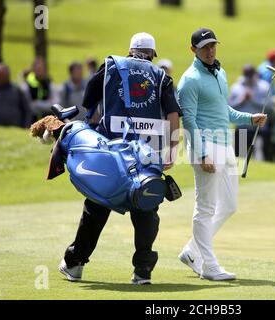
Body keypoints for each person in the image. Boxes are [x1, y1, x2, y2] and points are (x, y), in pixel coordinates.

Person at [58, 32, 182, 285]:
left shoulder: (111, 66)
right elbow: (172, 115)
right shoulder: (161, 77)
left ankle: (75, 264)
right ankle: (143, 272)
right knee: (145, 209)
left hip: (110, 154)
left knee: (97, 207)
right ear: (152, 54)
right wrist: (171, 149)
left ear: (130, 50)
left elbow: (88, 105)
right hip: (147, 157)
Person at [177, 28, 267, 281]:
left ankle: (191, 251)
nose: (210, 50)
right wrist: (203, 154)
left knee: (229, 205)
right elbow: (190, 122)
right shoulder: (189, 80)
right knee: (205, 208)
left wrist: (250, 118)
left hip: (226, 145)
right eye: (204, 47)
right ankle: (208, 266)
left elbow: (223, 110)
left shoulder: (220, 73)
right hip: (205, 147)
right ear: (193, 49)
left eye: (213, 45)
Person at [229, 64, 270, 159]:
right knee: (240, 158)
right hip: (242, 128)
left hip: (259, 129)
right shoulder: (236, 87)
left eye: (251, 75)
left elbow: (269, 106)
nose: (249, 78)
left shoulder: (264, 86)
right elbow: (229, 106)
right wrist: (241, 100)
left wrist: (253, 99)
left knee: (260, 158)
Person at [0, 63, 32, 128]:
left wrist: (26, 126)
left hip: (15, 128)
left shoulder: (17, 90)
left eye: (1, 75)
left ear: (8, 76)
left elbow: (27, 111)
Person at [24, 56, 58, 121]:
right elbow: (28, 106)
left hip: (47, 120)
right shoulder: (26, 85)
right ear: (33, 69)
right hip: (31, 120)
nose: (40, 71)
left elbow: (54, 104)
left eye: (41, 68)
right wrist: (47, 103)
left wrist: (37, 103)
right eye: (38, 68)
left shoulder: (50, 83)